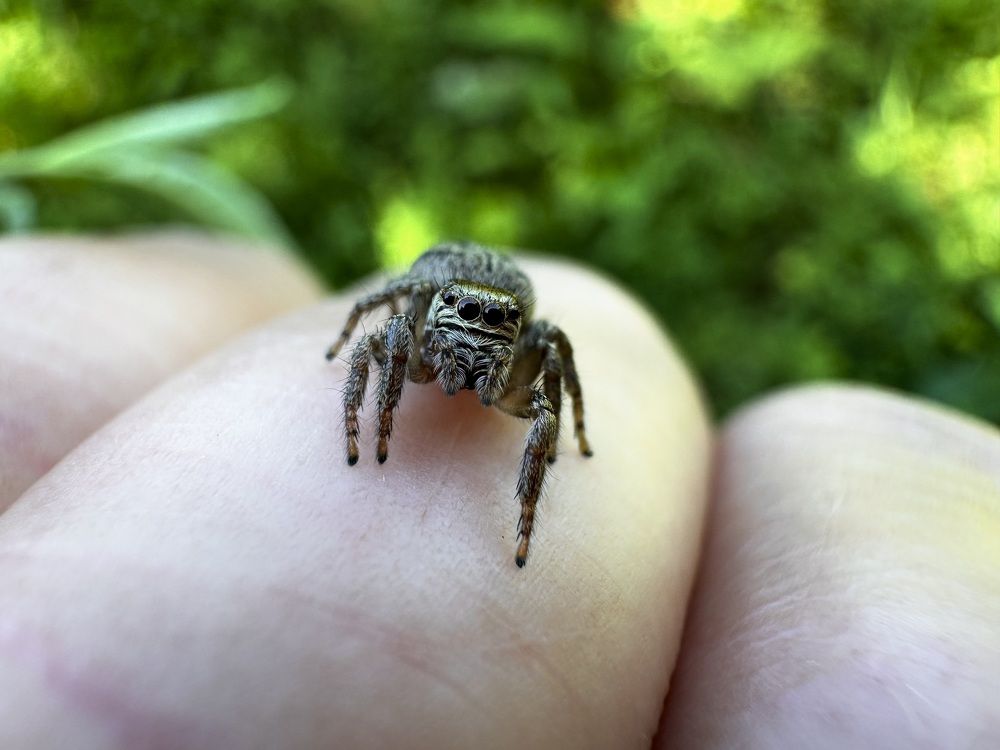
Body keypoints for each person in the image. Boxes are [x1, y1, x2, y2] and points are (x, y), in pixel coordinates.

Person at [1, 234, 997, 748]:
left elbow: (552, 369)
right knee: (387, 347)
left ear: (509, 339)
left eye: (492, 342)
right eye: (455, 332)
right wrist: (360, 406)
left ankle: (519, 504)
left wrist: (557, 465)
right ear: (432, 315)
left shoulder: (529, 350)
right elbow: (380, 324)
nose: (472, 357)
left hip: (503, 298)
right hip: (441, 280)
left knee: (543, 400)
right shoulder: (412, 321)